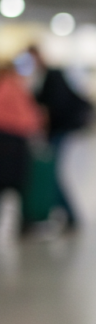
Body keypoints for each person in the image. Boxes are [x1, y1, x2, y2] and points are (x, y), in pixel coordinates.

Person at [28, 45, 92, 228]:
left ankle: (69, 214)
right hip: (56, 130)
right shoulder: (43, 76)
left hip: (59, 130)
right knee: (53, 172)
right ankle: (63, 212)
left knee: (52, 172)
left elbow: (54, 105)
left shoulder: (52, 75)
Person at [0, 63, 44, 239]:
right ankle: (25, 221)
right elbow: (30, 117)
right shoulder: (14, 88)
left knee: (6, 183)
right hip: (14, 141)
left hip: (6, 139)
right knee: (19, 183)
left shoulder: (6, 87)